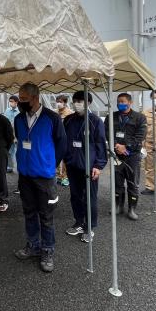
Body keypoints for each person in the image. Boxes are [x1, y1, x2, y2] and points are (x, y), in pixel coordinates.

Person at [13, 83, 66, 273]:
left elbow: (62, 143)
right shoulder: (19, 119)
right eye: (20, 98)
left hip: (44, 176)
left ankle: (47, 250)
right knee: (29, 212)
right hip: (25, 175)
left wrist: (50, 164)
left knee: (46, 215)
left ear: (36, 98)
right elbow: (20, 139)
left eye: (24, 99)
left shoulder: (52, 118)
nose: (21, 102)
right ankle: (33, 245)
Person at [62, 91, 107, 242]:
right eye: (75, 101)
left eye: (80, 101)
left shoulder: (95, 121)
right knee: (75, 196)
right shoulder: (68, 120)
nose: (77, 103)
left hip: (90, 167)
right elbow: (64, 141)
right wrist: (65, 159)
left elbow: (101, 144)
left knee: (90, 198)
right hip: (73, 165)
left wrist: (98, 166)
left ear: (88, 102)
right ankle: (79, 222)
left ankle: (90, 227)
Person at [105, 93, 147, 221]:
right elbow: (106, 132)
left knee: (132, 182)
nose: (120, 104)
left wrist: (126, 147)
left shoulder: (139, 117)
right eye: (118, 101)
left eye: (123, 101)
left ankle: (132, 209)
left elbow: (141, 136)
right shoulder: (111, 116)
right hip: (116, 155)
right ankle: (118, 206)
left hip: (132, 155)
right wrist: (116, 145)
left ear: (130, 102)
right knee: (117, 181)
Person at [55, 95, 74, 187]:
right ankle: (58, 175)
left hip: (66, 139)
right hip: (56, 138)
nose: (58, 103)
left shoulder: (70, 113)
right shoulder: (54, 113)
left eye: (60, 101)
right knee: (57, 157)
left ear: (65, 102)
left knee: (65, 158)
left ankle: (66, 176)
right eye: (57, 101)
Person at [3, 95, 20, 173]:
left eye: (12, 101)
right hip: (9, 134)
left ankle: (18, 166)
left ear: (16, 102)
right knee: (9, 151)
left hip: (17, 134)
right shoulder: (7, 110)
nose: (11, 103)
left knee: (18, 150)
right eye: (10, 101)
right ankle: (9, 166)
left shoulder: (19, 111)